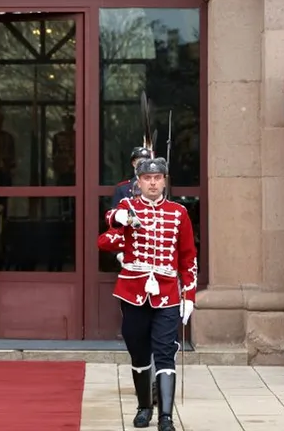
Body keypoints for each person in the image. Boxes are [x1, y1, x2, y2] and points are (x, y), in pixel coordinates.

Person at [105, 157, 197, 431]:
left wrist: (189, 296)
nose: (153, 183)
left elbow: (188, 257)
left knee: (166, 352)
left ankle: (166, 416)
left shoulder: (178, 212)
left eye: (157, 178)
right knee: (138, 352)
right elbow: (110, 220)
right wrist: (118, 218)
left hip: (167, 294)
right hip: (133, 292)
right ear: (139, 182)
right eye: (147, 178)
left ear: (164, 181)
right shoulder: (128, 206)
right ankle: (144, 407)